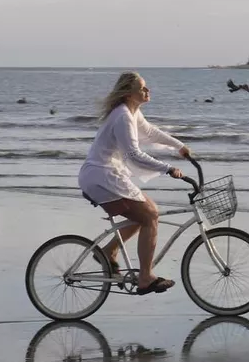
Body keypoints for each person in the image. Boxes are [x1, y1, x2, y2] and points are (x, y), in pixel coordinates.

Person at [78, 72, 191, 295]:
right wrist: (167, 168)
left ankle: (109, 252)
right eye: (142, 88)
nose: (147, 91)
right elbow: (134, 154)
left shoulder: (131, 112)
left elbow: (150, 132)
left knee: (143, 213)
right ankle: (146, 278)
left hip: (104, 175)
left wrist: (178, 146)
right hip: (102, 176)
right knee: (150, 214)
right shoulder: (122, 116)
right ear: (129, 93)